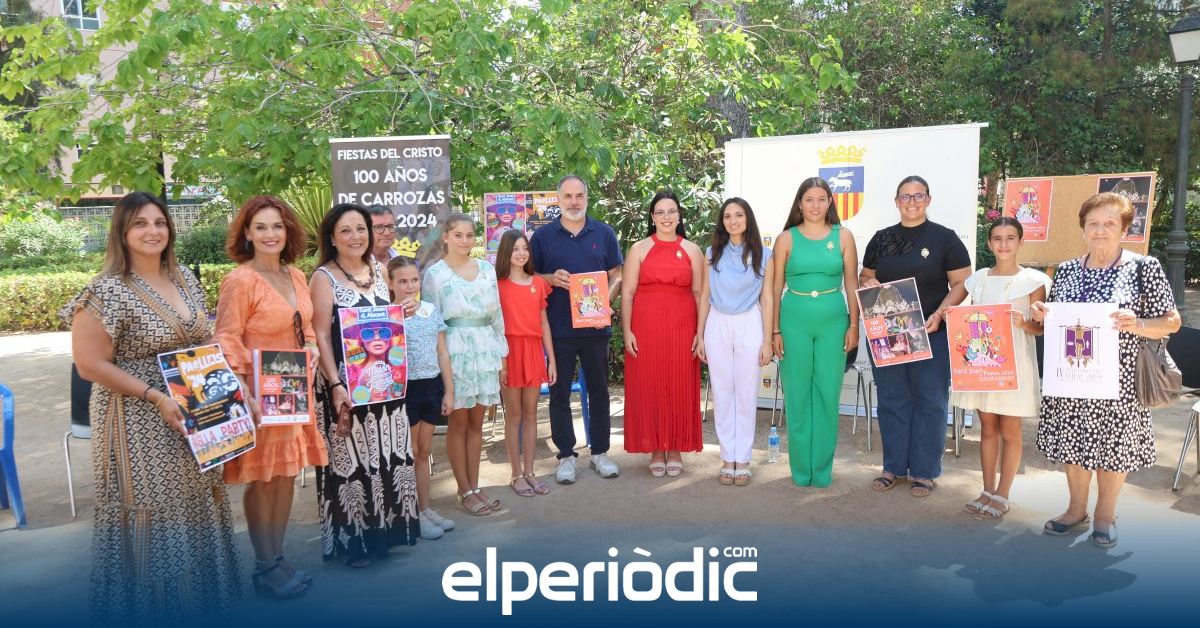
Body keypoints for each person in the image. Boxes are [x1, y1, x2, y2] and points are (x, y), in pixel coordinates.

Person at [61, 191, 241, 618]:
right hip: (136, 419)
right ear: (121, 232)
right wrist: (155, 395)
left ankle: (198, 605)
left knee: (198, 498)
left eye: (159, 222)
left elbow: (203, 339)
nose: (152, 231)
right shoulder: (104, 291)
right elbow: (89, 364)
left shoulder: (184, 278)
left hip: (193, 410)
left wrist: (229, 387)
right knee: (154, 508)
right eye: (140, 223)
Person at [1030, 192, 1180, 547]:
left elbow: (1171, 322)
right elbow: (1057, 318)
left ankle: (1105, 515)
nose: (1100, 230)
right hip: (1072, 374)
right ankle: (1075, 510)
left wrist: (1137, 323)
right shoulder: (1067, 270)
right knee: (1073, 441)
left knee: (1114, 447)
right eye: (1093, 223)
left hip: (1120, 380)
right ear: (1084, 228)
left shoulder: (1144, 267)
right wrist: (1043, 314)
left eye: (1110, 223)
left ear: (1125, 230)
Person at [213, 195, 329, 598]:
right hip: (257, 393)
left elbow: (306, 326)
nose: (270, 234)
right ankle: (265, 566)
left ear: (288, 231)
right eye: (260, 227)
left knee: (285, 474)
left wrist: (312, 348)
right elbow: (226, 336)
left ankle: (278, 558)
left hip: (292, 387)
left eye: (277, 226)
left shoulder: (295, 275)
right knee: (262, 479)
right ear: (246, 232)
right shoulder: (240, 280)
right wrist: (242, 387)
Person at [310, 203, 418, 567]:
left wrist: (402, 312)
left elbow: (385, 322)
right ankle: (355, 544)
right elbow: (321, 336)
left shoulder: (379, 269)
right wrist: (334, 384)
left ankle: (385, 537)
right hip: (347, 388)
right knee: (353, 464)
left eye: (361, 229)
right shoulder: (323, 278)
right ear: (331, 238)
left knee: (385, 455)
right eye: (346, 230)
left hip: (384, 384)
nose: (355, 236)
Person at [860, 175, 972, 498]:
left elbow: (962, 283)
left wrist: (941, 313)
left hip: (931, 330)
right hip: (888, 333)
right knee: (892, 399)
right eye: (905, 197)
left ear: (928, 199)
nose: (912, 202)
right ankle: (893, 467)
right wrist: (867, 284)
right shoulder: (882, 239)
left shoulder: (945, 238)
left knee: (930, 401)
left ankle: (924, 471)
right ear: (896, 201)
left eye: (918, 195)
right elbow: (865, 276)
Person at [950, 217, 1050, 520]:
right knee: (988, 428)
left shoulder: (1034, 280)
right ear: (989, 243)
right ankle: (987, 490)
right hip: (984, 366)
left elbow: (1041, 328)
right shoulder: (978, 279)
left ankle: (1003, 494)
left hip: (1015, 365)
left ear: (1020, 242)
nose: (1003, 244)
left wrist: (1024, 323)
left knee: (1010, 431)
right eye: (997, 238)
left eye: (1010, 238)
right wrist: (949, 316)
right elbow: (965, 314)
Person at [529, 174, 623, 483]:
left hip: (596, 329)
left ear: (586, 198)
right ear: (558, 199)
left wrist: (605, 302)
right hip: (558, 329)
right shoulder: (542, 237)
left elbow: (617, 274)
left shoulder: (604, 233)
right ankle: (566, 456)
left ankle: (600, 452)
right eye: (567, 196)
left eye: (579, 195)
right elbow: (528, 276)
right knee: (559, 394)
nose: (573, 202)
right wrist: (550, 279)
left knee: (599, 391)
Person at [767, 178, 859, 488]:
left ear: (830, 202)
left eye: (821, 199)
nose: (815, 205)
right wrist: (775, 330)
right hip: (793, 322)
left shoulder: (843, 236)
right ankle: (800, 470)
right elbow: (775, 288)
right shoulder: (786, 239)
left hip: (834, 323)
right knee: (797, 395)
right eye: (809, 199)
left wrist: (854, 325)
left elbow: (852, 283)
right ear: (800, 204)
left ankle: (821, 471)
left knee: (827, 395)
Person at [423, 212, 509, 515]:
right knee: (458, 424)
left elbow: (497, 315)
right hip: (454, 353)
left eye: (470, 235)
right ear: (446, 237)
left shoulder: (486, 269)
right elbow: (431, 323)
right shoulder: (435, 274)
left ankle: (475, 485)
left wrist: (502, 359)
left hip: (484, 352)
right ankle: (464, 489)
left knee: (477, 424)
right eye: (458, 235)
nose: (464, 240)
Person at [620, 190, 704, 476]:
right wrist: (627, 331)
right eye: (660, 212)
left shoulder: (692, 250)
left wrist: (700, 333)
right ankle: (656, 447)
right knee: (651, 383)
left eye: (671, 211)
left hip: (682, 325)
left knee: (679, 383)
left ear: (679, 216)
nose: (666, 217)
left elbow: (699, 294)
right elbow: (627, 294)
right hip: (646, 326)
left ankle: (676, 446)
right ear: (652, 217)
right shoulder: (639, 249)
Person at [696, 198, 774, 485]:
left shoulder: (765, 254)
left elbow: (768, 298)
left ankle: (743, 459)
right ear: (722, 222)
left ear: (747, 218)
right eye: (727, 216)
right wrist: (700, 334)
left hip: (749, 322)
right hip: (717, 322)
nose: (733, 221)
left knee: (746, 392)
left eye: (739, 215)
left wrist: (767, 340)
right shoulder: (711, 253)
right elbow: (705, 295)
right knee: (722, 391)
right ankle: (727, 457)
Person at [386, 256, 457, 539]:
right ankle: (412, 514)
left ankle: (425, 508)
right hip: (404, 390)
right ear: (391, 283)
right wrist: (395, 319)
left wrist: (449, 390)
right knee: (410, 451)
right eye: (402, 281)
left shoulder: (430, 311)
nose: (409, 286)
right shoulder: (387, 315)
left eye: (414, 280)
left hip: (431, 386)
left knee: (424, 451)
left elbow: (442, 352)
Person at [495, 229, 557, 496]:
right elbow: (494, 326)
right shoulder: (496, 286)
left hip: (533, 351)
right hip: (508, 352)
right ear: (505, 253)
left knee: (532, 413)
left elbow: (544, 323)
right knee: (514, 414)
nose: (521, 253)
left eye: (525, 248)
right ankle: (516, 474)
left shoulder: (538, 283)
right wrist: (501, 362)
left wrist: (551, 360)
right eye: (515, 249)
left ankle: (531, 472)